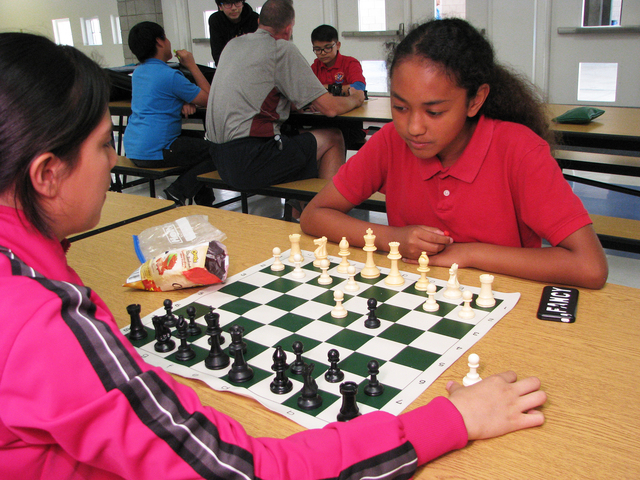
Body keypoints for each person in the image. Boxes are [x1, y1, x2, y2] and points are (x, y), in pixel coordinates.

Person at [0, 31, 548, 480]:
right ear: (47, 174)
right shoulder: (40, 319)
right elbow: (245, 471)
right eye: (103, 144)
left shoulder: (27, 274)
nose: (116, 156)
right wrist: (450, 419)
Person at [300, 18, 608, 290]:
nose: (413, 127)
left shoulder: (520, 151)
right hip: (418, 301)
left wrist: (469, 252)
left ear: (475, 101)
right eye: (400, 107)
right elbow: (315, 216)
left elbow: (590, 266)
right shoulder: (391, 142)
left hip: (503, 307)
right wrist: (392, 237)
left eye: (434, 112)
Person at [205, 0, 365, 199]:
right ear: (289, 29)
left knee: (297, 140)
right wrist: (357, 99)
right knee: (333, 137)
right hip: (248, 159)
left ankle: (299, 213)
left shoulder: (233, 45)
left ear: (259, 22)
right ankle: (326, 212)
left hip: (217, 156)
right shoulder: (281, 48)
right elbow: (330, 108)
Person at [123, 21, 215, 206]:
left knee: (194, 146)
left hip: (133, 148)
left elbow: (158, 97)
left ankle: (205, 200)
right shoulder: (170, 75)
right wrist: (191, 65)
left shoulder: (139, 72)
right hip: (157, 150)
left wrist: (182, 100)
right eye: (166, 37)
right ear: (160, 42)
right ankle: (177, 191)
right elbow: (209, 99)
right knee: (217, 151)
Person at [311, 24, 366, 96]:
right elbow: (307, 90)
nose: (323, 53)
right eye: (317, 49)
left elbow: (359, 87)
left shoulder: (350, 63)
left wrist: (328, 88)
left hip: (349, 105)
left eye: (328, 48)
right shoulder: (315, 66)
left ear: (338, 45)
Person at [208, 0, 259, 67]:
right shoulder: (216, 20)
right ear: (220, 6)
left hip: (252, 65)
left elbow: (258, 49)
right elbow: (217, 52)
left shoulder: (254, 19)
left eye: (237, 2)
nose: (234, 8)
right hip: (227, 66)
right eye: (228, 3)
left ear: (243, 3)